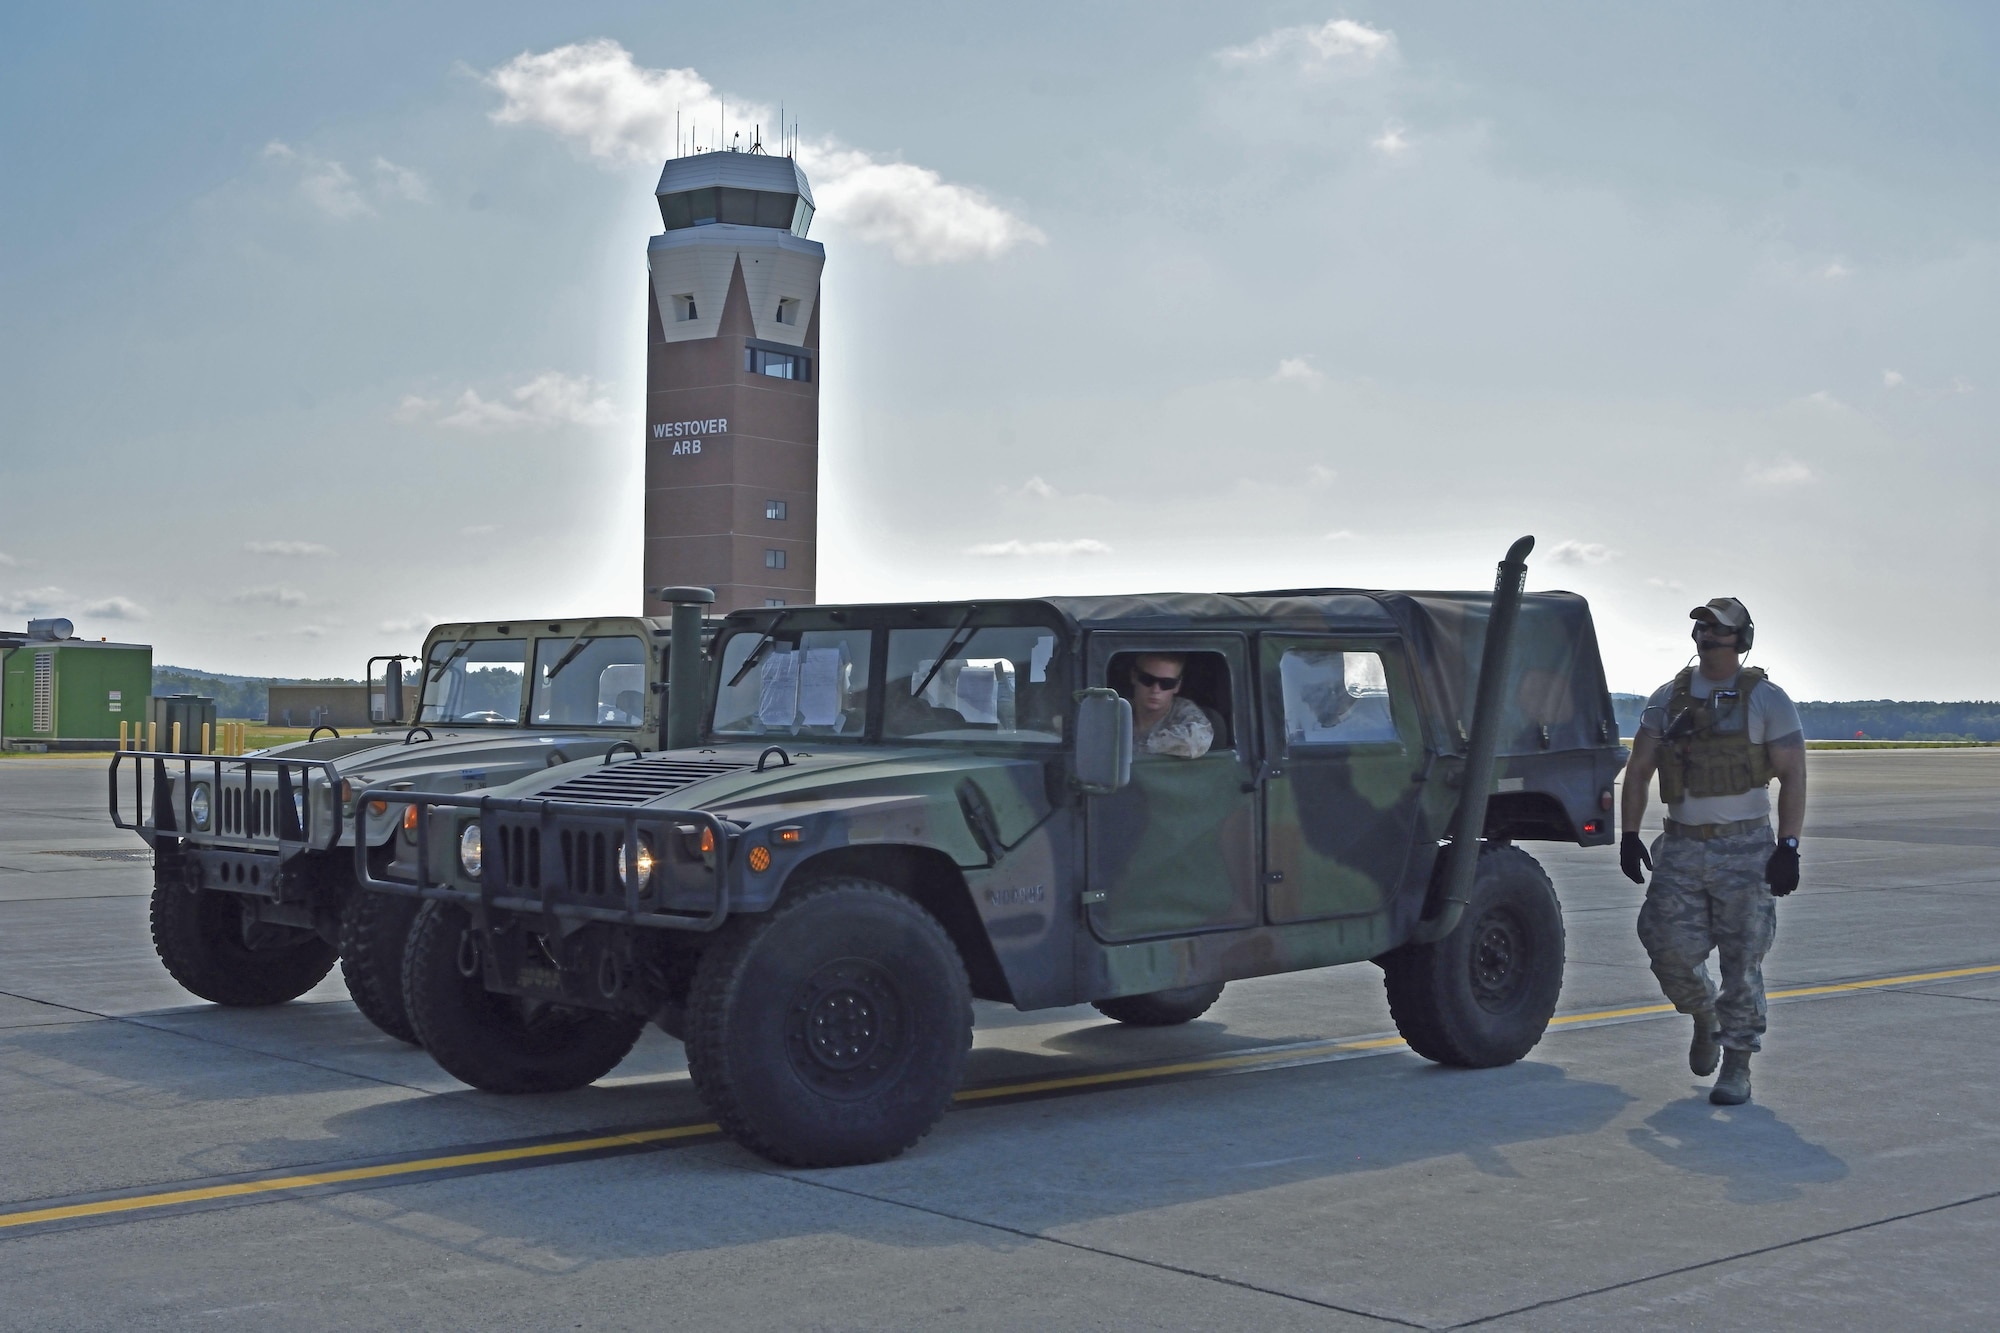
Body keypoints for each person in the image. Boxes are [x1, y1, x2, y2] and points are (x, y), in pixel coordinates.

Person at [1620, 598, 1807, 1106]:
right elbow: (1638, 770)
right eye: (1701, 625)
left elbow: (1792, 773)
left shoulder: (1767, 699)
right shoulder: (1669, 698)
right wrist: (1630, 833)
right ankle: (1704, 1014)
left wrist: (1788, 846)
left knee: (1742, 962)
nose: (1706, 634)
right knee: (1665, 947)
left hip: (1745, 849)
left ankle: (1738, 1066)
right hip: (1680, 846)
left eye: (1718, 627)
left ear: (1741, 639)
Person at [1124, 653, 1212, 758]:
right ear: (1134, 676)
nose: (1155, 690)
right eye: (1147, 679)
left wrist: (1142, 747)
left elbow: (1198, 740)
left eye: (1166, 683)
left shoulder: (1184, 711)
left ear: (1177, 685)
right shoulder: (1117, 710)